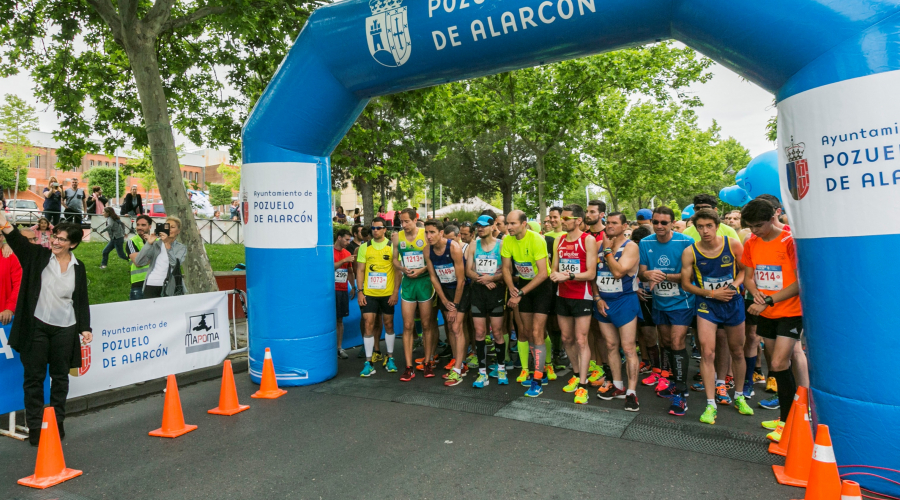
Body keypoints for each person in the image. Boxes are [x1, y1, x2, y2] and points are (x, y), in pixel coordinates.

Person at [0, 213, 91, 447]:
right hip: (36, 327)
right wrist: (5, 224)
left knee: (60, 378)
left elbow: (80, 300)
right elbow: (18, 242)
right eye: (54, 236)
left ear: (73, 243)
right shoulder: (38, 256)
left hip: (65, 329)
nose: (56, 241)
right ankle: (35, 427)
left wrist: (84, 328)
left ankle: (57, 423)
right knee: (34, 378)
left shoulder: (77, 267)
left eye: (62, 239)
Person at [680, 209, 754, 424]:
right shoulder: (690, 252)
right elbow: (686, 283)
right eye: (700, 227)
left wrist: (732, 286)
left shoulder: (732, 244)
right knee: (707, 352)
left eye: (708, 226)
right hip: (706, 304)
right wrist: (712, 293)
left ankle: (739, 396)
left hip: (732, 303)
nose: (704, 231)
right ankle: (710, 404)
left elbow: (744, 271)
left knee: (737, 351)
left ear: (717, 225)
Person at [740, 199, 805, 440]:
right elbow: (748, 276)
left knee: (778, 364)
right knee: (775, 363)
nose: (754, 230)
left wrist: (768, 299)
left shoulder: (789, 241)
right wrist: (754, 292)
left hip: (790, 311)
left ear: (771, 219)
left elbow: (800, 283)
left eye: (758, 225)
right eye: (750, 226)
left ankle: (789, 423)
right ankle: (787, 418)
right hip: (766, 312)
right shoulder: (751, 242)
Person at [638, 206, 696, 416]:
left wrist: (662, 276)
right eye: (656, 222)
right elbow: (642, 273)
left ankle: (680, 394)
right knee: (666, 342)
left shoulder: (685, 242)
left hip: (682, 301)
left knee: (678, 341)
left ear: (672, 223)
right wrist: (648, 275)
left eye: (664, 222)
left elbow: (689, 276)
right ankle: (673, 381)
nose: (659, 226)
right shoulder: (646, 242)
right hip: (660, 301)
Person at [548, 204, 597, 404]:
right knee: (567, 339)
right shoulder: (559, 240)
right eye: (562, 218)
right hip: (563, 294)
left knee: (581, 340)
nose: (563, 221)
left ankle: (583, 386)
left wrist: (568, 275)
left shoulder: (588, 240)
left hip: (582, 295)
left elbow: (591, 273)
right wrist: (554, 275)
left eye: (567, 218)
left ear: (578, 220)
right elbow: (553, 269)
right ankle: (576, 375)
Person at [593, 212, 642, 411]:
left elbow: (618, 272)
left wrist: (607, 251)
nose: (609, 226)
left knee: (628, 348)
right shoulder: (599, 246)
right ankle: (618, 385)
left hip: (625, 301)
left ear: (624, 226)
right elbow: (595, 275)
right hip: (605, 301)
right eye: (608, 223)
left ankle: (632, 393)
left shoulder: (630, 247)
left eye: (614, 223)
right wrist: (597, 298)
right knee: (611, 345)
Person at [501, 210, 552, 397]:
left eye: (513, 223)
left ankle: (537, 379)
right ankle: (541, 371)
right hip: (523, 284)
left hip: (541, 286)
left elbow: (543, 273)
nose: (509, 227)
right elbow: (506, 268)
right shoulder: (507, 240)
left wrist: (520, 293)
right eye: (507, 223)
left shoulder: (537, 240)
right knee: (528, 332)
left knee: (538, 332)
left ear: (524, 224)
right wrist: (513, 289)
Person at [465, 213, 510, 387]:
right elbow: (468, 270)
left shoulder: (501, 244)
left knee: (497, 332)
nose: (480, 228)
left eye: (484, 225)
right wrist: (482, 279)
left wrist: (492, 279)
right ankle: (482, 373)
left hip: (496, 292)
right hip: (478, 291)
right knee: (479, 332)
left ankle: (501, 368)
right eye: (478, 226)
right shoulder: (473, 245)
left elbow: (507, 270)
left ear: (493, 227)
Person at [423, 219, 469, 386]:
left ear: (441, 233)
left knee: (456, 327)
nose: (428, 236)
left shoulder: (454, 247)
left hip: (461, 290)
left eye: (432, 232)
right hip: (444, 292)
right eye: (426, 232)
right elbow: (434, 277)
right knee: (450, 327)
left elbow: (461, 280)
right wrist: (444, 300)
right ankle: (460, 363)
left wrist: (454, 305)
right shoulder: (427, 250)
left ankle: (457, 370)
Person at [393, 208, 435, 381]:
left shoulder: (426, 234)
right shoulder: (397, 237)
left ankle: (427, 362)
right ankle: (409, 367)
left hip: (424, 282)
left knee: (426, 325)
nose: (403, 225)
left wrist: (421, 270)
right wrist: (403, 268)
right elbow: (395, 259)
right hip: (408, 283)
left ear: (415, 219)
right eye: (401, 222)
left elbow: (433, 257)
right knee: (408, 325)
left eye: (406, 222)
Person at [356, 217, 398, 377]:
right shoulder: (364, 247)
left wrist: (395, 292)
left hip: (387, 294)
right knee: (368, 324)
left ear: (385, 229)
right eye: (373, 228)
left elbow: (397, 271)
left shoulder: (391, 246)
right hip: (370, 294)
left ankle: (390, 357)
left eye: (379, 228)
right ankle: (368, 362)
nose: (376, 231)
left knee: (388, 324)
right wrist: (360, 291)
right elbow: (360, 270)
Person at [133, 216, 188, 298]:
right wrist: (149, 243)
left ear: (178, 231)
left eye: (172, 227)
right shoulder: (156, 244)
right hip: (151, 283)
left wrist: (167, 244)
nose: (169, 229)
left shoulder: (181, 248)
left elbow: (174, 264)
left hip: (170, 286)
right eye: (167, 226)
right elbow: (139, 261)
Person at [334, 229, 357, 360]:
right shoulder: (329, 252)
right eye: (346, 239)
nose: (348, 242)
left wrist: (353, 286)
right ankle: (329, 348)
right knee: (329, 319)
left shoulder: (347, 253)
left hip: (342, 290)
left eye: (350, 240)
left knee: (340, 320)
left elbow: (350, 272)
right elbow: (329, 268)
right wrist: (343, 261)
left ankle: (339, 347)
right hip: (331, 291)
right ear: (339, 238)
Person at [126, 215, 153, 300]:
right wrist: (154, 257)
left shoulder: (157, 241)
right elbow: (138, 262)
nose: (139, 227)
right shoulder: (132, 241)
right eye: (138, 225)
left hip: (156, 283)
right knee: (136, 312)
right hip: (139, 284)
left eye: (143, 225)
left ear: (150, 226)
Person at [0, 231, 23, 326]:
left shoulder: (10, 256)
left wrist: (9, 308)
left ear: (1, 237)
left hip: (3, 316)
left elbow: (18, 284)